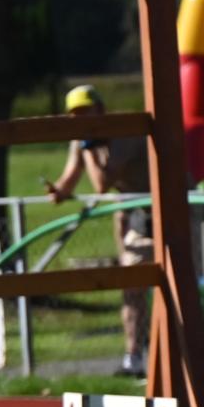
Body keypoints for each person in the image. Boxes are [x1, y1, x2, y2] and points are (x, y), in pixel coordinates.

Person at [45, 86, 155, 377]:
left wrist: (89, 146)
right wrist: (59, 190)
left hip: (167, 209)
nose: (81, 119)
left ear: (101, 110)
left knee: (178, 283)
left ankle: (181, 354)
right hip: (136, 217)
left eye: (85, 112)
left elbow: (101, 183)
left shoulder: (121, 133)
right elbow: (72, 176)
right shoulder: (82, 138)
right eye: (75, 115)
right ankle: (134, 357)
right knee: (131, 285)